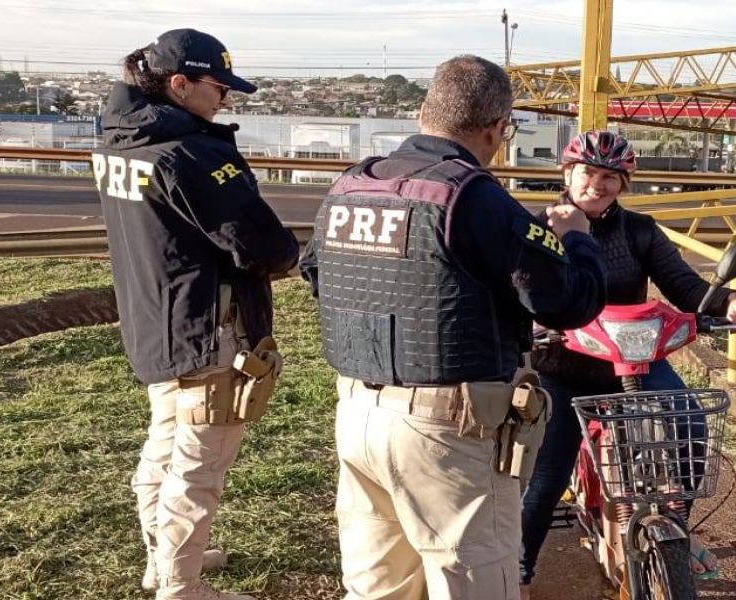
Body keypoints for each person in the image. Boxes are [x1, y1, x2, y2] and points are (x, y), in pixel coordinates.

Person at [299, 55, 607, 600]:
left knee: (378, 587)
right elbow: (565, 303)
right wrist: (577, 236)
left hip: (357, 412)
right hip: (449, 430)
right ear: (497, 129)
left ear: (423, 112)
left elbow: (316, 270)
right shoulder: (471, 196)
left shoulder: (352, 185)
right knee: (475, 583)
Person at [94, 28, 299, 600]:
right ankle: (180, 587)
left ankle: (163, 558)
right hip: (213, 328)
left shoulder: (118, 140)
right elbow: (262, 245)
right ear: (179, 85)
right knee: (198, 467)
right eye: (217, 87)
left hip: (155, 320)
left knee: (165, 444)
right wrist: (290, 256)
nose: (224, 99)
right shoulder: (191, 155)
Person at [519, 130, 736, 597]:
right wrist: (526, 326)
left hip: (635, 361)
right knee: (548, 474)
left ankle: (672, 525)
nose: (598, 184)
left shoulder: (640, 231)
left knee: (692, 422)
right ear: (567, 173)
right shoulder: (538, 229)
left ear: (624, 184)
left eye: (611, 176)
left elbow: (686, 288)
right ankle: (521, 570)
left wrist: (730, 300)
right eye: (588, 172)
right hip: (564, 365)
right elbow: (522, 293)